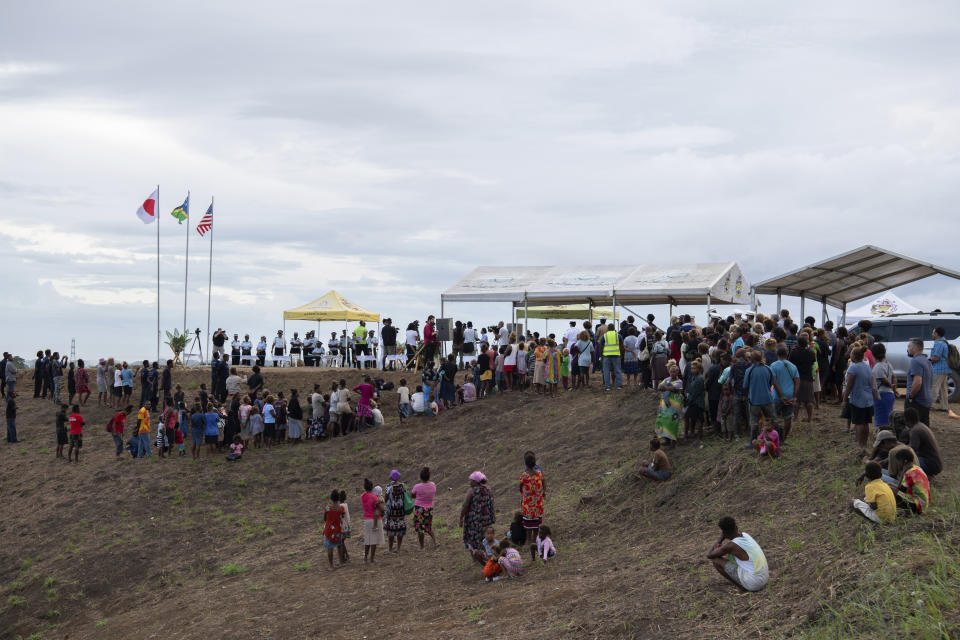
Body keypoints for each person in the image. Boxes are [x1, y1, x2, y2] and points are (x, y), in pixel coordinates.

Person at [706, 516, 769, 592]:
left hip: (754, 583)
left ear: (724, 533)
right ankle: (744, 582)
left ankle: (741, 587)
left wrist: (720, 539)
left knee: (716, 560)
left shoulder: (731, 545)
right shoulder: (746, 535)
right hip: (765, 578)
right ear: (736, 527)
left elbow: (709, 555)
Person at [842, 346, 880, 453]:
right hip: (868, 398)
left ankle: (860, 446)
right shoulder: (867, 366)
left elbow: (849, 386)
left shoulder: (853, 368)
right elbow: (872, 383)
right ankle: (865, 443)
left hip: (858, 399)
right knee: (866, 422)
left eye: (851, 353)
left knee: (858, 423)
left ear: (853, 356)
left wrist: (845, 399)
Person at [743, 351, 782, 445]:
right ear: (761, 358)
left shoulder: (749, 371)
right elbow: (772, 383)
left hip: (754, 400)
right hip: (767, 399)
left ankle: (752, 442)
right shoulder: (768, 369)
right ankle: (780, 440)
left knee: (754, 421)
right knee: (773, 419)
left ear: (751, 359)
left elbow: (745, 386)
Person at [461, 471, 496, 559]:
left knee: (472, 538)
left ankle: (475, 558)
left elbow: (465, 505)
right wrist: (492, 516)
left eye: (471, 480)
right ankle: (487, 555)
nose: (470, 482)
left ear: (476, 481)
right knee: (485, 537)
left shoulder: (472, 491)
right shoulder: (488, 490)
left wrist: (461, 517)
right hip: (486, 519)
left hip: (474, 520)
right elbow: (492, 503)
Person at [519, 451, 546, 560]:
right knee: (536, 523)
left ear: (525, 464)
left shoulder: (524, 476)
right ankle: (535, 539)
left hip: (528, 505)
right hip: (538, 504)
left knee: (528, 523)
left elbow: (520, 487)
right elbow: (543, 482)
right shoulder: (539, 473)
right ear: (535, 463)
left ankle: (528, 540)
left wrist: (523, 494)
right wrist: (543, 492)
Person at [904, 407, 943, 478]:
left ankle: (923, 476)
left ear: (907, 420)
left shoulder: (915, 430)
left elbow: (911, 451)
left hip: (930, 464)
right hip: (935, 463)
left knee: (904, 461)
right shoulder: (921, 425)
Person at [770, 346, 799, 441]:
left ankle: (774, 437)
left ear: (777, 354)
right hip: (790, 395)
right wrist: (794, 396)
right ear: (787, 354)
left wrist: (781, 396)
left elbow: (774, 382)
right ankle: (784, 438)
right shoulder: (793, 366)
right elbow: (797, 382)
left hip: (777, 396)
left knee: (773, 417)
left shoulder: (773, 366)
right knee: (788, 417)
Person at [929, 326, 959, 418]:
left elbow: (936, 357)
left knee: (934, 386)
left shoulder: (939, 344)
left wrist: (927, 360)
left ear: (937, 334)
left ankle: (930, 405)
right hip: (945, 368)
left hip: (939, 368)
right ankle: (944, 406)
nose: (932, 334)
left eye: (933, 332)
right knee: (943, 388)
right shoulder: (944, 342)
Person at [905, 338, 934, 426]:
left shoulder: (915, 361)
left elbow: (918, 382)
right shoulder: (927, 361)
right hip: (926, 400)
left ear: (914, 348)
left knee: (913, 428)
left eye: (909, 346)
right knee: (924, 428)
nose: (907, 349)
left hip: (916, 401)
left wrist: (911, 396)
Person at [894, 448, 930, 515]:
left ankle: (909, 512)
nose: (897, 463)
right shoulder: (916, 468)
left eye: (898, 461)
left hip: (918, 506)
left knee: (892, 490)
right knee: (890, 485)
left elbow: (900, 489)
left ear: (904, 461)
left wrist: (902, 473)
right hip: (922, 503)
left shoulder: (910, 473)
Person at [655, 365, 683, 446]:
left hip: (674, 407)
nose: (672, 373)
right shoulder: (666, 379)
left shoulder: (679, 382)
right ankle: (667, 440)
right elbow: (659, 386)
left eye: (674, 371)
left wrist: (665, 387)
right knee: (664, 422)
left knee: (673, 423)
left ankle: (673, 440)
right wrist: (663, 386)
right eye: (671, 371)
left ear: (678, 372)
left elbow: (674, 389)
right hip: (664, 407)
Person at [871, 343, 897, 430]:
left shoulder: (878, 366)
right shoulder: (888, 364)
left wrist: (890, 385)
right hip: (889, 394)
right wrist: (894, 388)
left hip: (882, 395)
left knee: (881, 419)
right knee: (887, 417)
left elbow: (883, 379)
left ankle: (882, 437)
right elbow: (894, 376)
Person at [411, 467, 437, 550]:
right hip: (429, 509)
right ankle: (435, 542)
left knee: (420, 528)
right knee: (428, 526)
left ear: (420, 477)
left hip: (419, 509)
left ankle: (422, 547)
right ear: (429, 476)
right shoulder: (433, 485)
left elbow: (412, 495)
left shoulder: (417, 486)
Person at [361, 479, 384, 564]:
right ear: (372, 487)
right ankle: (372, 559)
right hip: (375, 520)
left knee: (368, 539)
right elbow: (381, 508)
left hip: (366, 520)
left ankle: (365, 558)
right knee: (373, 541)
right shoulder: (374, 497)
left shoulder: (362, 496)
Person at [384, 469, 407, 553]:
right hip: (401, 511)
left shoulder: (389, 487)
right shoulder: (403, 486)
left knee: (390, 530)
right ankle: (398, 548)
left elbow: (386, 499)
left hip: (391, 512)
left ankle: (390, 549)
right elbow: (405, 497)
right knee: (400, 530)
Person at [323, 490, 347, 569]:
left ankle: (331, 566)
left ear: (331, 498)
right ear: (338, 498)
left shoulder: (327, 508)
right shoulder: (341, 508)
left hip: (329, 530)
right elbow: (342, 517)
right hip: (337, 529)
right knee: (339, 545)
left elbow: (324, 519)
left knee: (330, 548)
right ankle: (341, 562)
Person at [599, 324, 623, 391]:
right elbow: (621, 346)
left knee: (606, 371)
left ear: (608, 329)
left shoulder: (604, 336)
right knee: (617, 370)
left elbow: (600, 347)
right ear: (614, 328)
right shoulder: (618, 335)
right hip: (616, 355)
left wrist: (601, 356)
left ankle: (608, 386)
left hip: (606, 356)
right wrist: (621, 354)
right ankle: (619, 385)